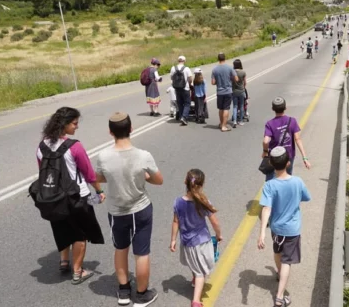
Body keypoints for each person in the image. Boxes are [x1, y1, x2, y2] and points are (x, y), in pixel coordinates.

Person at [95, 112, 164, 306]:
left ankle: (124, 291)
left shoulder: (103, 156)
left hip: (117, 212)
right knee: (141, 253)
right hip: (140, 208)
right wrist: (145, 177)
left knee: (120, 249)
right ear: (131, 128)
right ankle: (142, 295)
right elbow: (159, 180)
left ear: (111, 132)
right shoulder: (143, 156)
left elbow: (99, 177)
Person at [36, 107, 105, 285]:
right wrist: (99, 191)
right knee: (79, 234)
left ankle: (64, 261)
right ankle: (78, 271)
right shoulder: (74, 146)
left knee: (62, 229)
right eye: (74, 123)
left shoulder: (41, 146)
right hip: (76, 197)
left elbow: (42, 172)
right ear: (64, 125)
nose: (77, 127)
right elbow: (89, 174)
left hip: (53, 197)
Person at [258, 146, 311, 307]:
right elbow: (306, 197)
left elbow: (266, 209)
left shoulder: (269, 186)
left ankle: (280, 274)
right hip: (292, 230)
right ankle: (280, 297)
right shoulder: (297, 182)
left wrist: (262, 234)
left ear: (272, 165)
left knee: (277, 252)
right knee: (287, 261)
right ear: (288, 163)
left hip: (276, 229)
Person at [169, 169, 223, 307]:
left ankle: (194, 279)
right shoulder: (203, 202)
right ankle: (196, 301)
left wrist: (173, 239)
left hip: (187, 242)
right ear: (202, 184)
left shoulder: (178, 202)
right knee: (201, 272)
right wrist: (219, 234)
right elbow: (214, 221)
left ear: (185, 182)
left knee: (195, 263)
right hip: (201, 242)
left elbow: (176, 221)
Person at [262, 97, 311, 181]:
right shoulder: (292, 121)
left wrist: (265, 152)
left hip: (275, 157)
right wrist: (305, 158)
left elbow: (266, 141)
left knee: (271, 182)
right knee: (286, 179)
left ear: (273, 109)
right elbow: (298, 139)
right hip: (288, 156)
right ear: (285, 108)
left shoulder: (269, 124)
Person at [211, 52, 238, 132]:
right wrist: (230, 79)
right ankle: (224, 126)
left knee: (220, 108)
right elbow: (236, 79)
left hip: (219, 92)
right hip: (228, 91)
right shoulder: (229, 68)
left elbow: (213, 82)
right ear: (225, 58)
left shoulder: (215, 69)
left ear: (218, 59)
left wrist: (218, 82)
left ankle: (221, 123)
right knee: (226, 108)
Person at [170, 56, 193, 126]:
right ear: (184, 61)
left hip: (177, 88)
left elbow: (171, 77)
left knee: (179, 102)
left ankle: (181, 115)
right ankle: (184, 117)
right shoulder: (186, 69)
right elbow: (190, 78)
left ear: (178, 61)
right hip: (185, 88)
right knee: (187, 103)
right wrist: (189, 84)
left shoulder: (173, 68)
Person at [231, 59, 247, 128]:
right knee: (241, 106)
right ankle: (240, 121)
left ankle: (234, 121)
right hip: (241, 91)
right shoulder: (243, 72)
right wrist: (243, 88)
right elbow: (245, 82)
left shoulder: (232, 72)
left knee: (235, 106)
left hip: (234, 91)